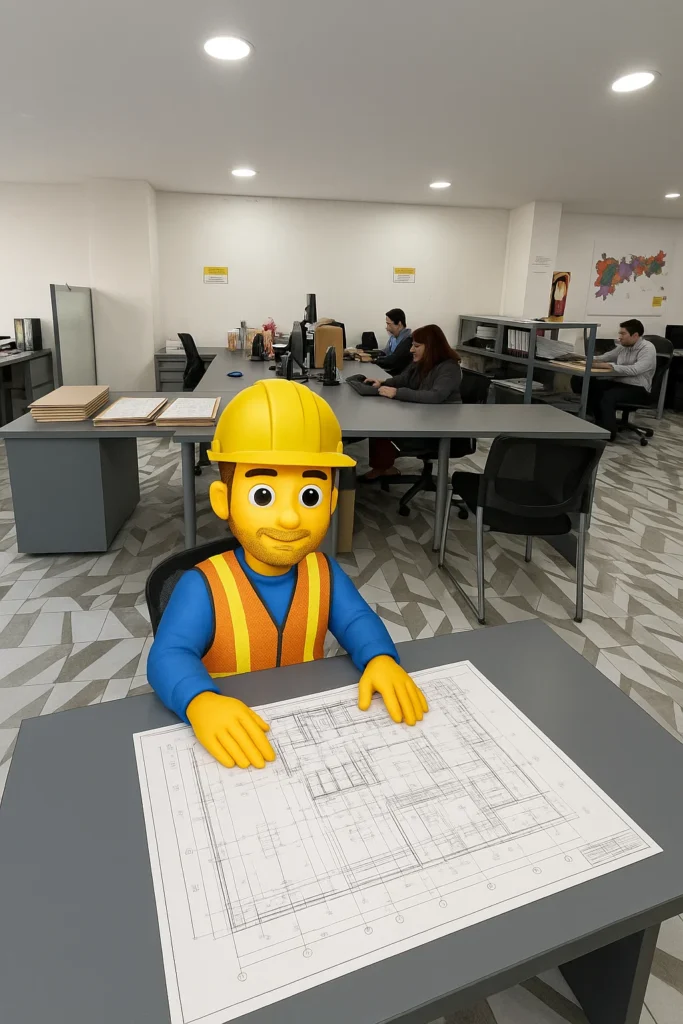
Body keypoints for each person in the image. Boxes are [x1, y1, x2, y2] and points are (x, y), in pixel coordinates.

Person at [147, 379, 428, 770]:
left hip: (305, 727)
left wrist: (381, 658)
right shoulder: (203, 585)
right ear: (222, 500)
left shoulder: (324, 573)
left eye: (310, 495)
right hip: (233, 730)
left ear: (331, 501)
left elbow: (358, 621)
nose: (291, 517)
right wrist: (201, 701)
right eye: (263, 495)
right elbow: (167, 655)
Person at [360, 324, 462, 480]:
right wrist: (383, 382)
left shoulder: (449, 368)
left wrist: (397, 393)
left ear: (431, 347)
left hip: (440, 427)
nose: (411, 350)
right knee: (379, 416)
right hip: (424, 416)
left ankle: (382, 467)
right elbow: (403, 379)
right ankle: (383, 467)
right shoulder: (422, 362)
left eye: (416, 346)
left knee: (382, 423)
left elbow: (435, 396)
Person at [571, 319, 657, 439]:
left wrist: (610, 366)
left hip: (639, 389)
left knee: (608, 396)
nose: (619, 337)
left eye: (623, 334)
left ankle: (608, 434)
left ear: (635, 335)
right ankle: (598, 421)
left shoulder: (647, 349)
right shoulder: (624, 347)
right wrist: (580, 358)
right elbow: (605, 357)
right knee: (585, 382)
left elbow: (635, 370)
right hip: (619, 383)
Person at [373, 308, 413, 374]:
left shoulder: (408, 340)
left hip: (398, 374)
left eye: (389, 324)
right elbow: (385, 352)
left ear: (399, 324)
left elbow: (394, 360)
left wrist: (374, 360)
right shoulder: (393, 338)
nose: (387, 328)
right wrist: (368, 354)